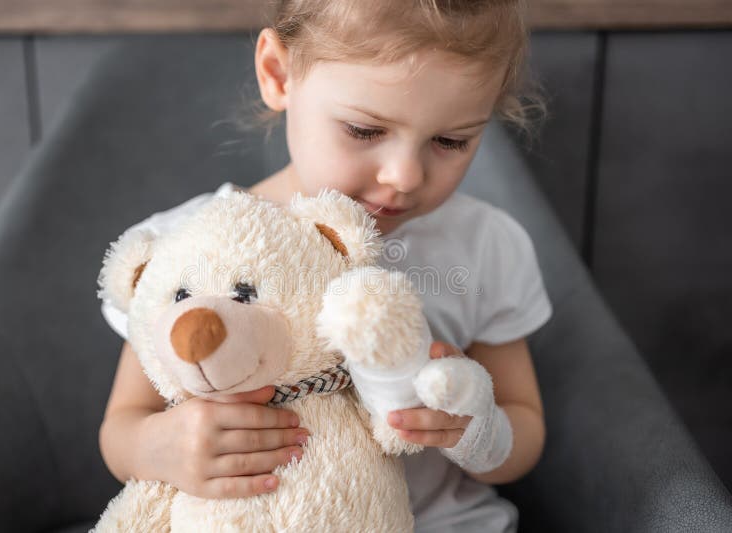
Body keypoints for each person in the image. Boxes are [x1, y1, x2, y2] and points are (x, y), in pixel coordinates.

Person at [98, 1, 552, 531]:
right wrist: (160, 446)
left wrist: (478, 429)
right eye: (364, 130)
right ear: (278, 73)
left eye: (452, 141)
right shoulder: (190, 247)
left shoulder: (486, 246)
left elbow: (526, 426)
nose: (405, 175)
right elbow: (121, 429)